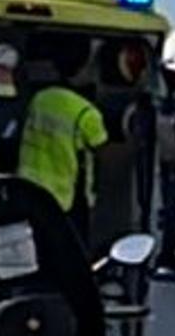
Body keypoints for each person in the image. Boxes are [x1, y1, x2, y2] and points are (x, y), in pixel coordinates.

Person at [17, 33, 109, 239]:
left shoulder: (40, 99)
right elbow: (103, 152)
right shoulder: (87, 114)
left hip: (27, 189)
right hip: (65, 198)